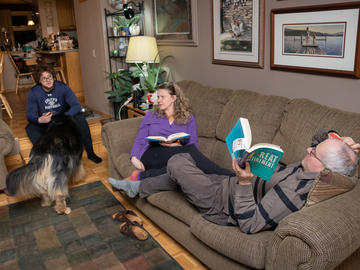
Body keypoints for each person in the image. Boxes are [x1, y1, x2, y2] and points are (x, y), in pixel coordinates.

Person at [109, 129, 359, 234]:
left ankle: (137, 186)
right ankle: (137, 187)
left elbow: (249, 224)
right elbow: (320, 140)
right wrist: (341, 140)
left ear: (324, 168)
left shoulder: (296, 192)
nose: (307, 149)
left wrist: (242, 182)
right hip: (227, 184)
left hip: (221, 204)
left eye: (313, 153)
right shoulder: (317, 169)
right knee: (184, 168)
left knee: (178, 161)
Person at [121, 82, 232, 182]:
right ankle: (229, 175)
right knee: (189, 154)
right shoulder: (151, 115)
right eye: (158, 97)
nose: (158, 100)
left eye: (162, 97)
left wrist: (177, 145)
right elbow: (140, 139)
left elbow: (193, 144)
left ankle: (142, 177)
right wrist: (134, 158)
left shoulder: (188, 118)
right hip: (152, 153)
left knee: (183, 164)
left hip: (176, 155)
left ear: (173, 98)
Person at [25, 65, 102, 163]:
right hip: (47, 120)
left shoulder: (62, 87)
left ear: (53, 76)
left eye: (49, 77)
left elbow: (76, 106)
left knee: (80, 118)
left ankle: (91, 153)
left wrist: (65, 116)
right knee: (30, 128)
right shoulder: (33, 92)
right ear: (39, 81)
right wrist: (40, 119)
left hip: (64, 118)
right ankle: (44, 157)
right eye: (43, 79)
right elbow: (30, 115)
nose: (48, 80)